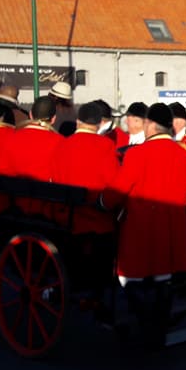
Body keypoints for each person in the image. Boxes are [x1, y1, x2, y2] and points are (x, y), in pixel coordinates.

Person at [101, 103, 186, 347]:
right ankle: (160, 325)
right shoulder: (184, 154)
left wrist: (102, 202)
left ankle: (147, 324)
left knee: (129, 277)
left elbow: (119, 190)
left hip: (142, 225)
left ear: (150, 125)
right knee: (163, 276)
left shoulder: (137, 153)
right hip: (172, 225)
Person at [50, 100, 119, 294]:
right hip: (97, 218)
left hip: (67, 219)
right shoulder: (106, 145)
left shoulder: (62, 145)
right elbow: (113, 183)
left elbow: (54, 179)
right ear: (98, 124)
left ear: (78, 121)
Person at [1, 96, 65, 216]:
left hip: (12, 209)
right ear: (53, 119)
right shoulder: (61, 143)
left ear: (30, 115)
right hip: (46, 212)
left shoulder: (9, 138)